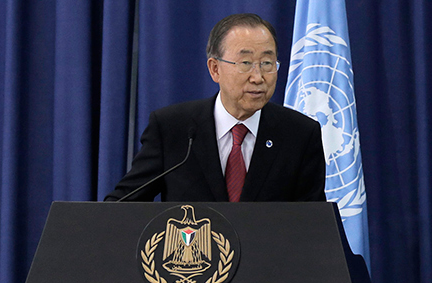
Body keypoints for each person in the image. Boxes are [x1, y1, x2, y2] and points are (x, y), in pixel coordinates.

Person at [104, 13, 326, 202]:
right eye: (245, 63)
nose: (258, 77)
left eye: (267, 63)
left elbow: (313, 226)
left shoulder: (300, 135)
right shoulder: (172, 129)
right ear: (215, 69)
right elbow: (123, 205)